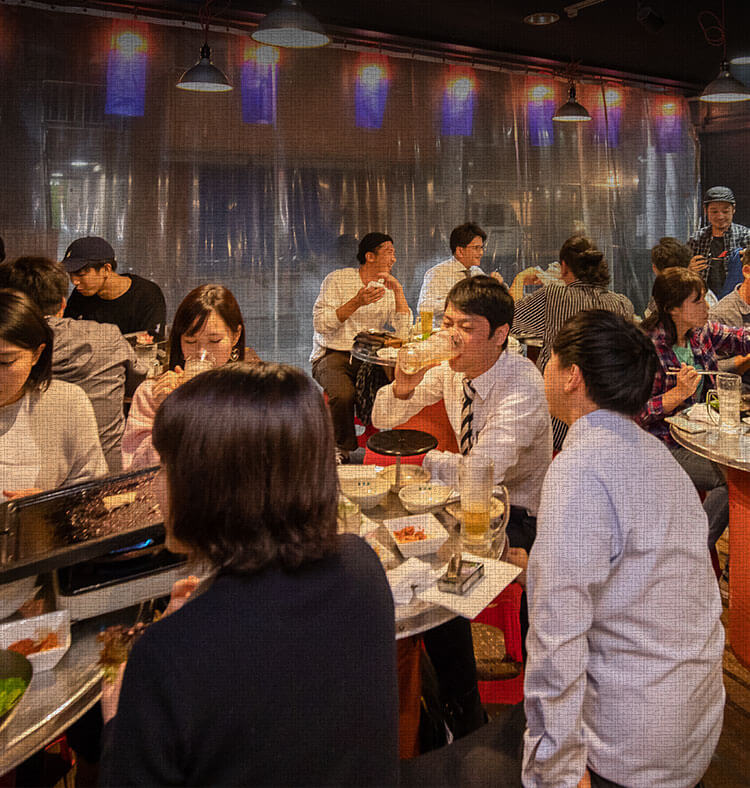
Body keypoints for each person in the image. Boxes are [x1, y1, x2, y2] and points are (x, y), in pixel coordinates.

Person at [100, 363, 399, 786]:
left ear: (213, 488)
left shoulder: (165, 658)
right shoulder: (361, 566)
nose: (155, 487)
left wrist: (118, 717)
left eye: (166, 467)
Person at [523, 309, 724, 788]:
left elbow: (556, 635)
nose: (543, 371)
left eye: (549, 360)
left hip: (633, 740)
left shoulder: (580, 469)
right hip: (695, 720)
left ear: (572, 376)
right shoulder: (654, 455)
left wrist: (558, 772)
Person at [373, 274, 550, 736]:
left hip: (519, 515)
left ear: (499, 334)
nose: (450, 336)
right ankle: (435, 700)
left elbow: (481, 471)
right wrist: (405, 387)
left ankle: (465, 713)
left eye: (465, 327)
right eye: (447, 322)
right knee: (400, 550)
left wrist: (419, 461)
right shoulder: (453, 369)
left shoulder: (522, 386)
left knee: (436, 574)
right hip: (462, 504)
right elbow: (381, 418)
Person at [0, 256, 148, 472]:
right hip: (110, 473)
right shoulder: (107, 337)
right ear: (63, 304)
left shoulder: (66, 396)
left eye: (6, 361)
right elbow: (139, 383)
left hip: (79, 483)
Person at [638, 267, 750, 548]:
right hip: (660, 444)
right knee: (732, 482)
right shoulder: (646, 346)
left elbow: (740, 337)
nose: (707, 306)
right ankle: (689, 550)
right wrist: (675, 395)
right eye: (698, 300)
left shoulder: (700, 332)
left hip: (699, 436)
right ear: (673, 309)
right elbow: (635, 413)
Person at [510, 235, 634, 448]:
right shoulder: (622, 304)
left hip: (557, 420)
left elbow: (509, 318)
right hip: (607, 418)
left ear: (564, 267)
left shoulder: (554, 296)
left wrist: (519, 280)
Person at [122, 284, 251, 470]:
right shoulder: (152, 393)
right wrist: (170, 414)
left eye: (214, 341)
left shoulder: (251, 394)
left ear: (235, 336)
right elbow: (136, 471)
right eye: (190, 341)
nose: (202, 352)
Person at [311, 232, 411, 461]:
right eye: (388, 252)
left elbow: (404, 331)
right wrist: (357, 302)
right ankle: (341, 447)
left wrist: (398, 291)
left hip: (369, 357)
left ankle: (385, 444)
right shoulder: (338, 279)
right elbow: (321, 324)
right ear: (369, 256)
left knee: (397, 389)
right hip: (332, 354)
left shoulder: (385, 289)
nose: (393, 259)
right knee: (343, 394)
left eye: (394, 253)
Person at [0, 288, 106, 498]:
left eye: (5, 362)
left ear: (36, 354)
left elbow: (94, 494)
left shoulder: (66, 404)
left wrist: (48, 507)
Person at [61, 236, 166, 339]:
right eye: (71, 275)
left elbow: (152, 342)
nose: (74, 282)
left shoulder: (147, 295)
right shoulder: (80, 295)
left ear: (106, 269)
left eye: (81, 274)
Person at [417, 222, 488, 326]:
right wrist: (459, 302)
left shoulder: (477, 272)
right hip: (446, 333)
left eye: (481, 248)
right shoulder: (437, 273)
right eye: (476, 248)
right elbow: (423, 307)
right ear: (460, 251)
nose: (481, 253)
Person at [687, 186, 750, 298]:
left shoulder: (746, 236)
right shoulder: (696, 239)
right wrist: (689, 269)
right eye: (714, 211)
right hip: (706, 301)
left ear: (733, 209)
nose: (720, 216)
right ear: (706, 210)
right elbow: (680, 275)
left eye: (725, 211)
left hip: (739, 301)